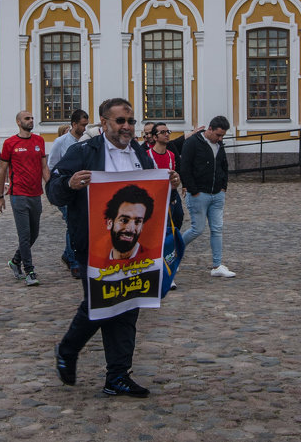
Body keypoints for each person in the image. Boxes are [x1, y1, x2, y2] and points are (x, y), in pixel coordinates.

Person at [48, 97, 180, 398]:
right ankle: (68, 349)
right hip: (94, 245)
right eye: (120, 121)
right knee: (102, 302)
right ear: (104, 123)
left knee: (130, 305)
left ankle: (117, 377)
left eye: (131, 121)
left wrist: (171, 184)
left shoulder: (140, 154)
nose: (127, 127)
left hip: (135, 246)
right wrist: (70, 185)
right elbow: (53, 191)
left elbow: (155, 197)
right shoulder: (83, 152)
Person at [178, 115, 235, 278]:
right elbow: (185, 168)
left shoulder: (219, 144)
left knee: (217, 229)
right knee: (197, 229)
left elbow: (224, 165)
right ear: (209, 129)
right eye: (218, 135)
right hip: (199, 194)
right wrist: (193, 190)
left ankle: (217, 265)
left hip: (217, 194)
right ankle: (174, 252)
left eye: (222, 135)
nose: (220, 138)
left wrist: (224, 186)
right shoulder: (192, 143)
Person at [0, 110, 47, 286]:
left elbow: (44, 167)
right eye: (27, 118)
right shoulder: (10, 143)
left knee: (34, 234)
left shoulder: (39, 141)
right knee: (24, 235)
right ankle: (30, 271)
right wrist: (0, 195)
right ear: (19, 122)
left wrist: (51, 187)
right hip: (18, 194)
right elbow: (2, 170)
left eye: (32, 118)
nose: (31, 120)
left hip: (36, 194)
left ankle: (15, 261)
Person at [47, 109, 90, 279]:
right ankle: (73, 262)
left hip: (83, 191)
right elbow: (52, 166)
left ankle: (68, 254)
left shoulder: (88, 142)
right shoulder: (61, 142)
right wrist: (55, 188)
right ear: (74, 124)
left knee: (77, 223)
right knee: (70, 224)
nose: (85, 128)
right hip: (66, 189)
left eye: (87, 125)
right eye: (82, 125)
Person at [102, 184, 154, 262]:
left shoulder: (153, 260)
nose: (131, 229)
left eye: (137, 222)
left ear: (142, 226)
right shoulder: (99, 263)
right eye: (124, 220)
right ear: (110, 223)